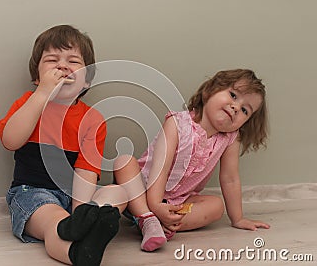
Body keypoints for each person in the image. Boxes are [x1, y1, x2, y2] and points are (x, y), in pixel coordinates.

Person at [0, 25, 126, 266]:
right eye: (52, 60)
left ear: (86, 81)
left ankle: (85, 223)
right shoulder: (28, 103)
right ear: (37, 77)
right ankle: (76, 253)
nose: (62, 66)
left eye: (73, 61)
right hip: (32, 194)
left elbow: (86, 171)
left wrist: (80, 210)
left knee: (117, 192)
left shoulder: (93, 120)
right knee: (53, 220)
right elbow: (10, 140)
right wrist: (42, 93)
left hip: (76, 197)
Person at [114, 69, 270, 252]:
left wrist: (238, 218)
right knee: (124, 162)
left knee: (216, 207)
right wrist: (155, 205)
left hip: (177, 201)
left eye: (245, 110)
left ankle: (165, 223)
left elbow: (230, 178)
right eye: (233, 95)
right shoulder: (177, 123)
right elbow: (161, 167)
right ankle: (147, 217)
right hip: (141, 191)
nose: (236, 107)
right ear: (209, 91)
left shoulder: (230, 139)